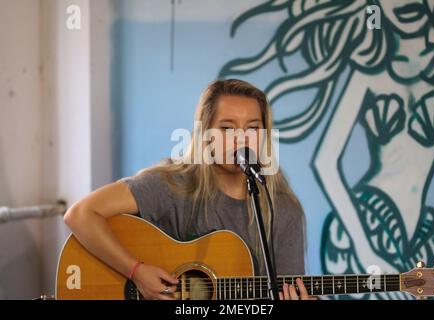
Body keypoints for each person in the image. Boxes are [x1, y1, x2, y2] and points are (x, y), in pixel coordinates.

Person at [64, 79, 312, 300]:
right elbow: (80, 214)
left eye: (253, 127)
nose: (241, 139)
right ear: (206, 134)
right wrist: (136, 272)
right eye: (227, 127)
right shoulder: (172, 185)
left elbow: (290, 288)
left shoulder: (283, 209)